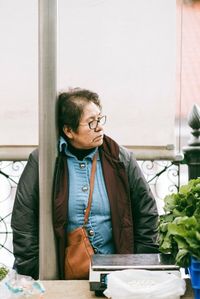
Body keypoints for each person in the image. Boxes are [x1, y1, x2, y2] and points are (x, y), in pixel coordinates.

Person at [11, 88, 159, 280]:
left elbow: (146, 213)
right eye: (91, 123)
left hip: (118, 277)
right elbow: (24, 220)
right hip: (62, 277)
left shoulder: (121, 158)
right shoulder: (43, 161)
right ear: (68, 130)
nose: (99, 128)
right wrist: (35, 272)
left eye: (100, 119)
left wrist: (139, 267)